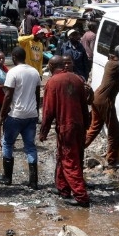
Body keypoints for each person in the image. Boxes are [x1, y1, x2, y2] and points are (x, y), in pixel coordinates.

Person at [39, 55, 92, 207]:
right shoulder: (77, 79)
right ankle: (63, 188)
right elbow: (84, 105)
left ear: (50, 66)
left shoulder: (52, 82)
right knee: (65, 157)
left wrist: (43, 131)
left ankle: (81, 196)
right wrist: (86, 124)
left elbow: (48, 110)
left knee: (69, 160)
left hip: (66, 127)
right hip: (78, 125)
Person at [0, 46, 41, 188]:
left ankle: (7, 177)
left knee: (7, 143)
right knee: (30, 147)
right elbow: (37, 94)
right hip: (31, 115)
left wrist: (1, 115)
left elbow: (8, 96)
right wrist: (36, 112)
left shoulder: (13, 72)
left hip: (16, 115)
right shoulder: (35, 72)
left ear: (14, 57)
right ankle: (33, 181)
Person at [84, 50, 119, 167]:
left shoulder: (111, 63)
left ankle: (77, 148)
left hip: (98, 98)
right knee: (114, 131)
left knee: (95, 127)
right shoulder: (115, 64)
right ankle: (111, 160)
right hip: (105, 100)